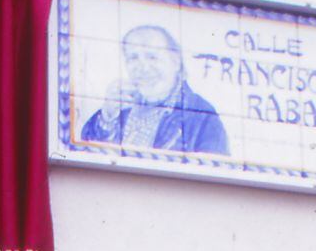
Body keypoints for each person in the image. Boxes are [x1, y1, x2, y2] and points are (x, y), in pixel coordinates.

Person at [80, 25, 230, 155]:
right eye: (133, 58)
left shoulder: (201, 115)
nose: (143, 68)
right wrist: (107, 118)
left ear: (175, 62)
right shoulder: (121, 107)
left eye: (152, 57)